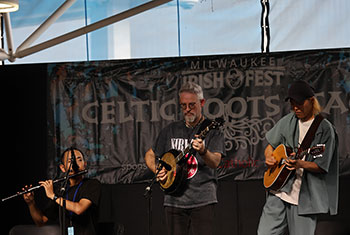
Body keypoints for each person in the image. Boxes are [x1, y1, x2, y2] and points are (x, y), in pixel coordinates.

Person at [257, 80, 339, 235]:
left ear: (311, 101)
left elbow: (321, 166)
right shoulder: (288, 120)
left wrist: (300, 164)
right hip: (280, 190)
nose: (295, 108)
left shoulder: (325, 129)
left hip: (306, 198)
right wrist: (269, 157)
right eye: (293, 103)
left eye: (300, 103)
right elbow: (270, 146)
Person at [144, 82, 225, 235]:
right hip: (174, 201)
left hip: (203, 200)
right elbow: (150, 154)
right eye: (183, 105)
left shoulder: (212, 131)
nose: (187, 109)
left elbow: (215, 162)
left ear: (202, 103)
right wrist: (157, 170)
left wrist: (203, 151)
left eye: (192, 105)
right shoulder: (170, 129)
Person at [23, 148, 101, 235]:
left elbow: (79, 209)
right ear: (62, 168)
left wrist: (53, 196)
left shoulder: (92, 184)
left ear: (85, 164)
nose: (75, 164)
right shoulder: (61, 190)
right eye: (70, 161)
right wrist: (31, 203)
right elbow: (41, 221)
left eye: (79, 160)